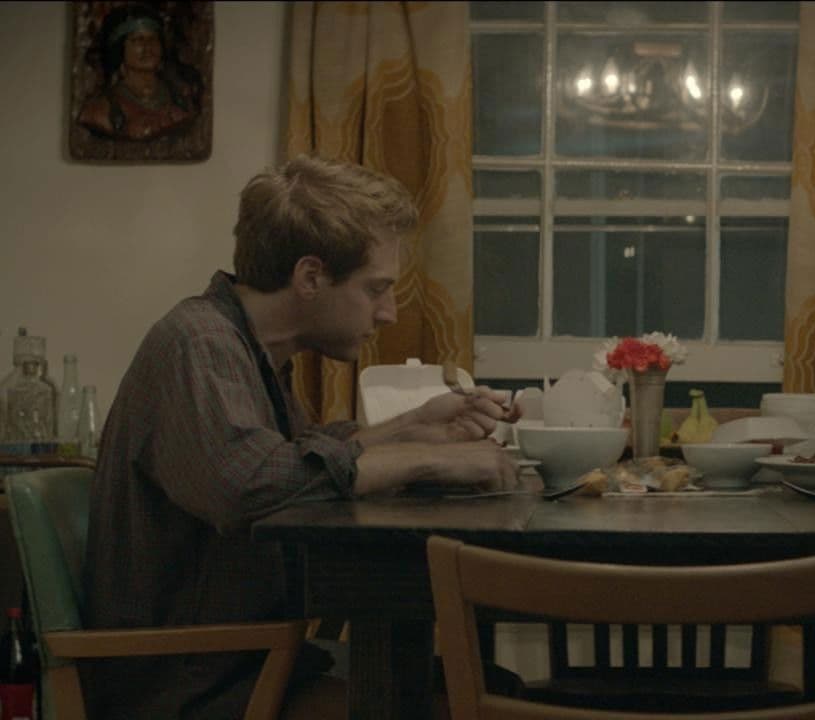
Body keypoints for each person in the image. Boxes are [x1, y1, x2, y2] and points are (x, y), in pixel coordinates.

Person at [81, 155, 521, 719]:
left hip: (248, 660)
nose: (388, 313)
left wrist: (413, 427)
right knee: (474, 703)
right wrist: (424, 460)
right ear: (310, 277)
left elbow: (299, 458)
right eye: (375, 289)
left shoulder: (250, 349)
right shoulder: (199, 343)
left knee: (490, 686)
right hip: (191, 685)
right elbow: (247, 485)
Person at [76, 4, 200, 141]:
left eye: (153, 39)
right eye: (137, 40)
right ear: (119, 50)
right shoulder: (100, 110)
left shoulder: (181, 101)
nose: (148, 46)